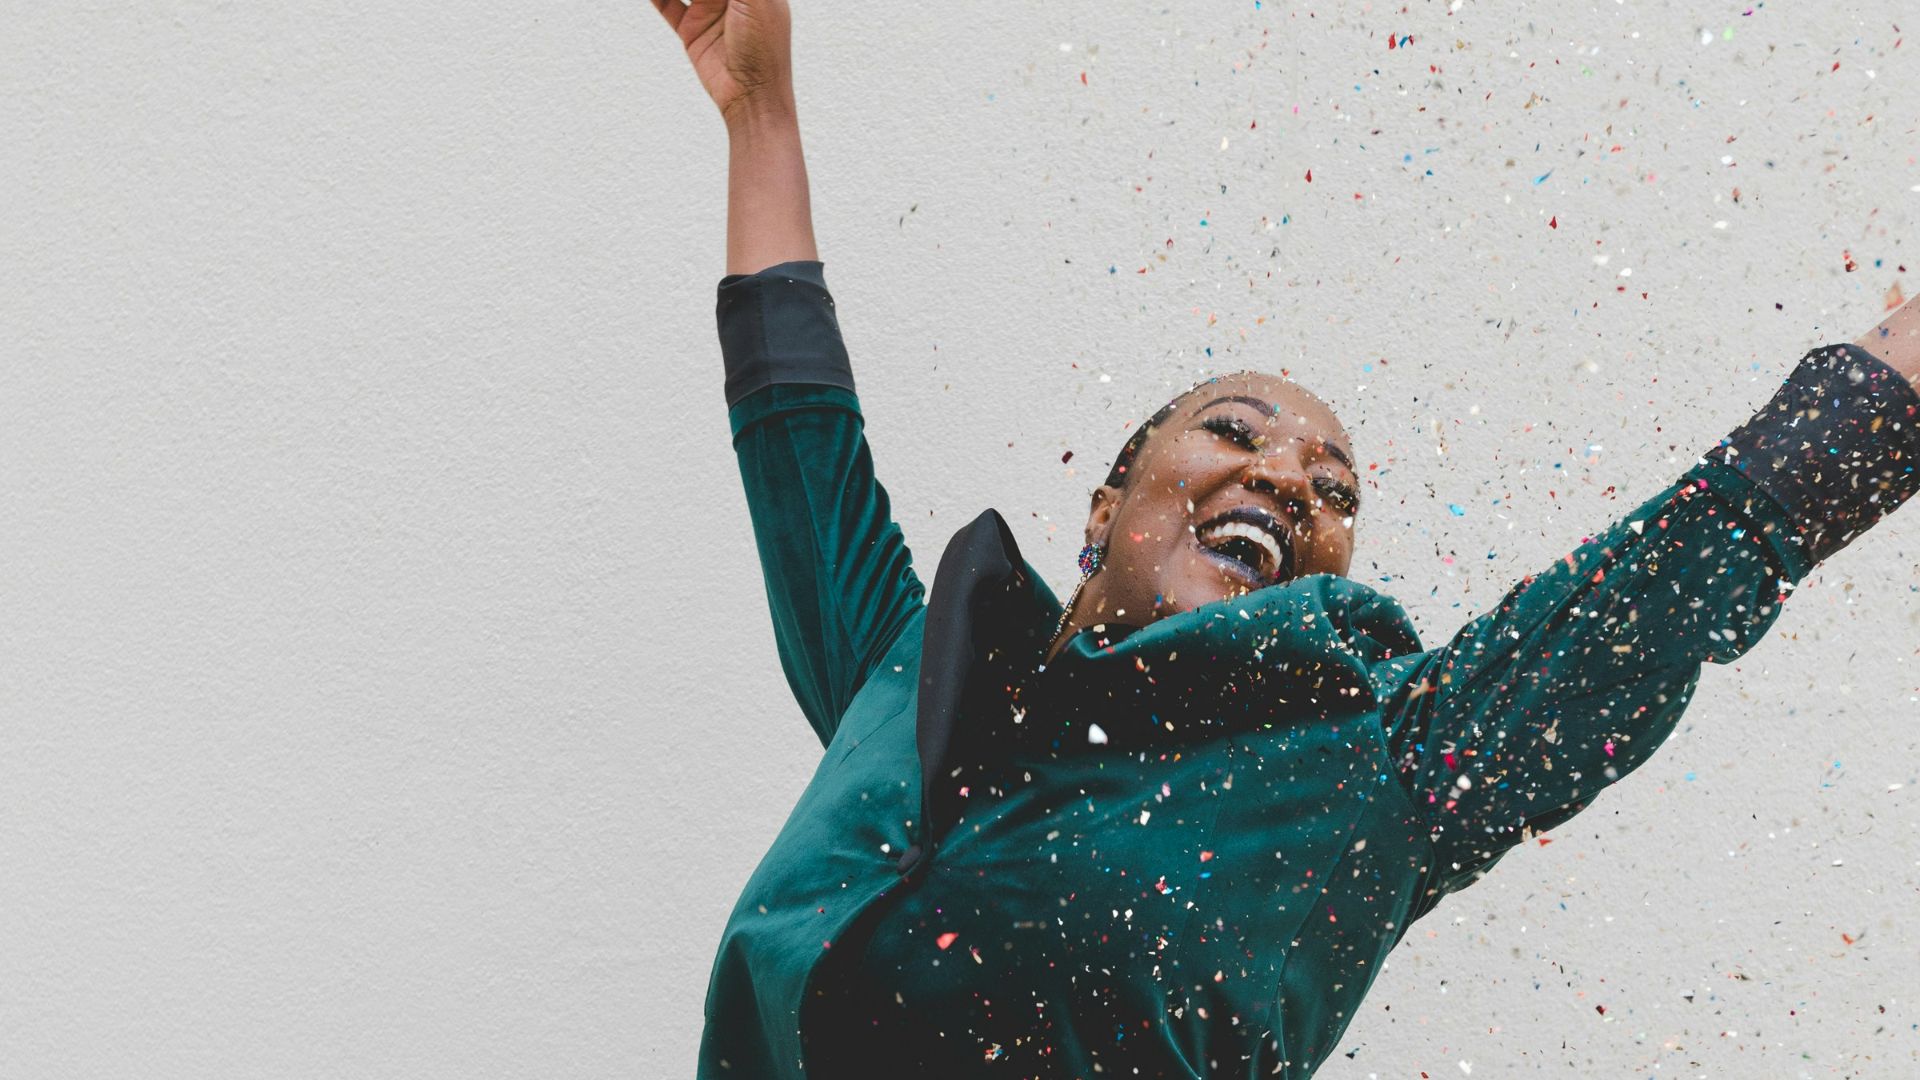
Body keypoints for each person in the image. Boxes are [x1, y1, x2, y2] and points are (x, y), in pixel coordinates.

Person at [653, 1, 1920, 1076]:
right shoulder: (908, 671)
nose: (1285, 478)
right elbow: (798, 429)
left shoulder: (1370, 774)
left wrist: (1892, 383)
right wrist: (760, 114)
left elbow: (1653, 592)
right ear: (1109, 503)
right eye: (1234, 431)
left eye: (1335, 488)